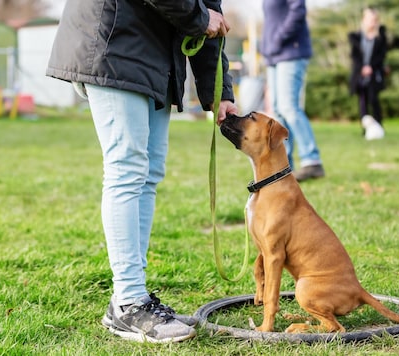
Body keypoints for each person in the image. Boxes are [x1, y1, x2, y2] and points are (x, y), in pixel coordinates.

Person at [46, 0, 237, 343]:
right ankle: (129, 303)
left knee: (147, 173)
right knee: (127, 169)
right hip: (115, 40)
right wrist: (199, 17)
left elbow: (209, 11)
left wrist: (218, 89)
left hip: (153, 52)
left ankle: (133, 298)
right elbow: (202, 14)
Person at [260, 0, 325, 182]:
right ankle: (284, 165)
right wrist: (266, 47)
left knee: (289, 107)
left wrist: (278, 39)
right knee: (278, 110)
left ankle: (312, 160)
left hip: (291, 52)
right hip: (274, 56)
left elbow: (297, 12)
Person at [348, 7, 388, 129]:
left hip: (375, 73)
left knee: (373, 99)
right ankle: (365, 128)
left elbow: (381, 56)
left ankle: (378, 126)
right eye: (370, 19)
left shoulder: (380, 38)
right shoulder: (356, 37)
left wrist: (371, 67)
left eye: (374, 20)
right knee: (362, 101)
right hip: (360, 74)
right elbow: (355, 56)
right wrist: (362, 68)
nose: (372, 22)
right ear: (364, 20)